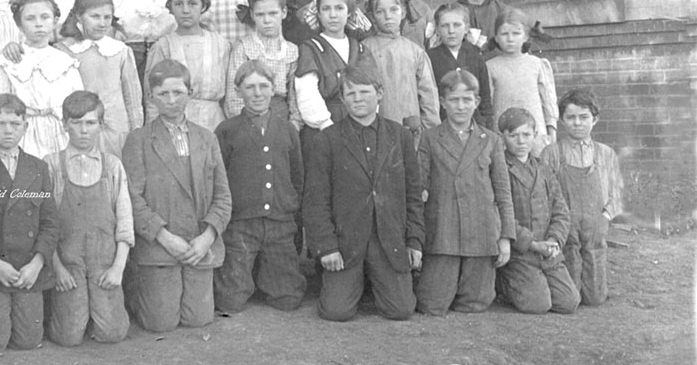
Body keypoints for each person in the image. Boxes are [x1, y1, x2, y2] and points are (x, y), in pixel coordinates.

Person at [301, 64, 423, 321]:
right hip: (346, 241)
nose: (358, 99)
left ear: (380, 94)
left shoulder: (400, 137)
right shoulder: (327, 140)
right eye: (351, 93)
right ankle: (350, 283)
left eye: (365, 92)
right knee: (336, 311)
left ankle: (374, 283)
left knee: (400, 310)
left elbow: (413, 195)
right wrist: (327, 248)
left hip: (387, 240)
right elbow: (315, 201)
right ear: (342, 98)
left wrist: (414, 241)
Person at [122, 60, 232, 332]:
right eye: (163, 94)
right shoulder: (139, 140)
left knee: (198, 319)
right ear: (151, 96)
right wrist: (164, 237)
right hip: (160, 245)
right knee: (160, 323)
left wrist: (207, 238)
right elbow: (132, 199)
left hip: (197, 244)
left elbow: (223, 197)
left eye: (178, 92)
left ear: (190, 93)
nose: (171, 101)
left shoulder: (207, 138)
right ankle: (139, 289)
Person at [0, 93, 60, 351]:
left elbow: (50, 222)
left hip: (28, 268)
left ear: (25, 127)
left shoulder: (38, 168)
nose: (8, 130)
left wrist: (37, 264)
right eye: (0, 124)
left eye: (15, 124)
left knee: (29, 340)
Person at [416, 70, 516, 316]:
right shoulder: (430, 138)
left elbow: (503, 193)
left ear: (477, 102)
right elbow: (419, 189)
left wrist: (505, 238)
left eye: (466, 100)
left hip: (480, 233)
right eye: (454, 100)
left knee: (476, 304)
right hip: (444, 232)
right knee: (432, 304)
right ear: (443, 102)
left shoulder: (491, 140)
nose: (460, 106)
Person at [214, 61, 305, 313]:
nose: (257, 93)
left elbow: (297, 176)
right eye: (250, 87)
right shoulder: (227, 130)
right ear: (238, 91)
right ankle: (246, 279)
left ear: (273, 89)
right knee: (229, 302)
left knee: (288, 299)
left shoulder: (287, 129)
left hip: (279, 223)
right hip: (241, 224)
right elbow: (219, 179)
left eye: (263, 86)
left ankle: (269, 276)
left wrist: (288, 209)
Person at [44, 91, 133, 346]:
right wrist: (58, 269)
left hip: (104, 262)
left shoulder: (112, 165)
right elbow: (45, 224)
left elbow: (125, 221)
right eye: (76, 123)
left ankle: (101, 312)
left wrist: (117, 269)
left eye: (91, 123)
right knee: (67, 337)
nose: (84, 130)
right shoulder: (52, 164)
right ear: (64, 125)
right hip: (68, 263)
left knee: (113, 333)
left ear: (101, 125)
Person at [541, 89, 623, 307]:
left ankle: (594, 289)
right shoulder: (552, 153)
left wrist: (605, 217)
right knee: (570, 293)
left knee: (595, 297)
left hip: (595, 225)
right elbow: (543, 195)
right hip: (565, 227)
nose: (577, 123)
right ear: (562, 120)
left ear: (595, 119)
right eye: (570, 117)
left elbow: (617, 194)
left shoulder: (605, 154)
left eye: (583, 117)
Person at [496, 107, 580, 314]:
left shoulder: (543, 168)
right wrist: (532, 244)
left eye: (526, 135)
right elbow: (501, 214)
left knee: (569, 302)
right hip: (520, 252)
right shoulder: (499, 169)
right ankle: (502, 283)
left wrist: (554, 240)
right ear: (502, 137)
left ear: (535, 135)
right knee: (538, 305)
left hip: (547, 251)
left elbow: (561, 210)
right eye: (513, 135)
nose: (521, 141)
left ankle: (539, 281)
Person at [0, 0, 84, 158]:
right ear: (19, 25)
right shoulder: (7, 62)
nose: (38, 24)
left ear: (55, 21)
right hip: (21, 133)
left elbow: (77, 105)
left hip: (59, 133)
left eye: (45, 17)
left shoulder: (65, 62)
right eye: (30, 18)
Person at [55, 0, 143, 157]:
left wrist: (136, 131)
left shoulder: (120, 51)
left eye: (107, 17)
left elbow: (132, 98)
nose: (102, 23)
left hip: (117, 129)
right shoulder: (64, 50)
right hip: (81, 127)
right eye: (95, 16)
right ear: (79, 16)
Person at [143, 0, 229, 133]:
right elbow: (152, 96)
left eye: (192, 3)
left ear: (203, 6)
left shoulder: (220, 44)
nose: (185, 10)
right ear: (170, 7)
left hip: (215, 123)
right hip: (173, 123)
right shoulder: (163, 46)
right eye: (178, 4)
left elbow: (230, 94)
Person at [359, 0, 440, 139]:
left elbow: (428, 94)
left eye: (393, 10)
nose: (388, 16)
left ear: (403, 13)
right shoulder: (364, 49)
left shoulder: (415, 51)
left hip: (410, 126)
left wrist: (431, 131)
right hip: (376, 126)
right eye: (380, 12)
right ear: (372, 17)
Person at [294, 0, 362, 158]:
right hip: (322, 130)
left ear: (349, 12)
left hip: (356, 126)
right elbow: (307, 92)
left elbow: (371, 89)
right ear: (318, 13)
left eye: (339, 8)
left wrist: (363, 122)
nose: (333, 15)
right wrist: (326, 125)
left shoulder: (358, 48)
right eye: (326, 9)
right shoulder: (311, 48)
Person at [223, 0, 301, 129]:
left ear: (283, 12)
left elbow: (294, 97)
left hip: (281, 121)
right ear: (252, 15)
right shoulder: (243, 47)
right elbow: (233, 96)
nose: (267, 20)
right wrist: (247, 127)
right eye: (260, 15)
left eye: (273, 13)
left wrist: (293, 126)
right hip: (248, 120)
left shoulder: (291, 51)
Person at [486, 7, 557, 155]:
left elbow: (548, 101)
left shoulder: (537, 64)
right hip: (504, 135)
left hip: (535, 134)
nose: (510, 39)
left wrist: (552, 132)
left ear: (526, 37)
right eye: (504, 34)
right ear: (496, 38)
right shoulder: (490, 67)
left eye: (516, 33)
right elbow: (488, 105)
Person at [426, 2, 494, 129]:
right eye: (445, 26)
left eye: (457, 25)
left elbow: (485, 99)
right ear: (437, 29)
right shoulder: (429, 58)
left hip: (474, 126)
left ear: (466, 28)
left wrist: (487, 128)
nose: (451, 31)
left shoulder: (476, 57)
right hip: (442, 125)